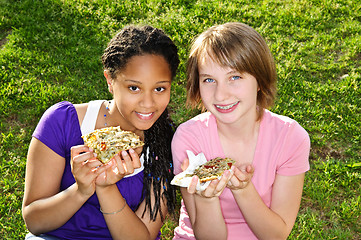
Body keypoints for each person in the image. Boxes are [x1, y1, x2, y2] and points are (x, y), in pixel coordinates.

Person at [22, 25, 180, 240]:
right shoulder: (63, 121)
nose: (148, 103)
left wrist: (106, 188)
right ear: (109, 80)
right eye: (134, 88)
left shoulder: (168, 142)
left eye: (160, 88)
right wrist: (81, 190)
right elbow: (35, 222)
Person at [171, 22, 310, 240]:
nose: (220, 95)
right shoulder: (188, 139)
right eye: (209, 80)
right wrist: (207, 199)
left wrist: (243, 190)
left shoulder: (290, 138)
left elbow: (276, 235)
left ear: (259, 81)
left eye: (234, 77)